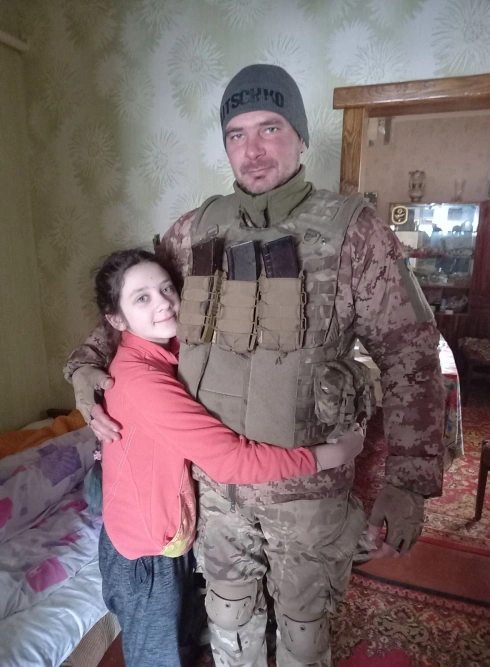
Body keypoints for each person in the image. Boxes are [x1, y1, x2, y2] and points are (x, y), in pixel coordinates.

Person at [65, 65, 445, 667]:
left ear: (301, 137)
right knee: (229, 626)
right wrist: (86, 367)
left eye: (270, 128)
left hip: (307, 492)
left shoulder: (355, 233)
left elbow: (411, 355)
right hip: (216, 493)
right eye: (236, 134)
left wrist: (409, 483)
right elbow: (132, 304)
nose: (253, 149)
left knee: (304, 635)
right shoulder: (195, 232)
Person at [92, 248, 359, 667]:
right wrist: (329, 456)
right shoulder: (142, 380)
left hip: (157, 533)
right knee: (154, 658)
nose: (163, 302)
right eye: (142, 297)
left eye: (166, 289)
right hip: (144, 552)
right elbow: (231, 461)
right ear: (116, 320)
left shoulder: (162, 353)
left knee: (181, 636)